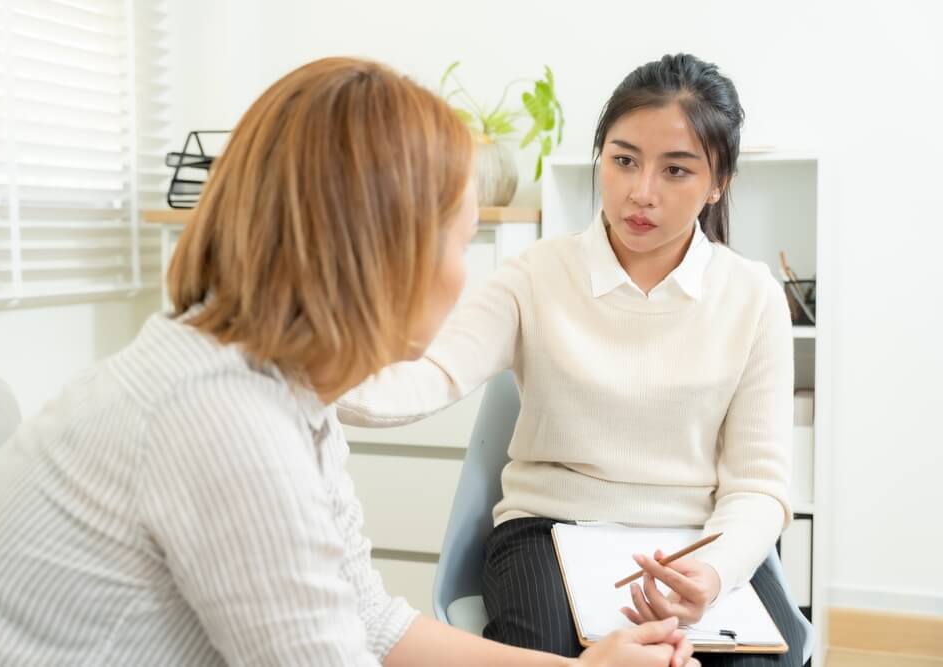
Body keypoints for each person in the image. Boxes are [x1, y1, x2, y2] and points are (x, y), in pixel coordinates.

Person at [0, 57, 698, 667]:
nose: (465, 273)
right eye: (460, 240)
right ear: (383, 252)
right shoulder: (220, 418)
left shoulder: (282, 384)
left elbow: (366, 619)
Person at [338, 53, 809, 666]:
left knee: (763, 658)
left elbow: (759, 486)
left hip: (696, 539)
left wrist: (711, 574)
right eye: (623, 160)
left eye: (676, 170)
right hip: (549, 529)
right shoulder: (536, 274)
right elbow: (429, 377)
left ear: (718, 182)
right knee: (545, 654)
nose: (642, 192)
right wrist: (292, 377)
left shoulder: (752, 296)